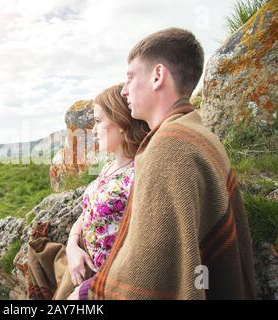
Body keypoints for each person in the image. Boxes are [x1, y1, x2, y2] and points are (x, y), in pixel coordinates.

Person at [73, 28, 256, 300]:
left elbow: (149, 264)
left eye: (131, 77)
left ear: (158, 76)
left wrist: (88, 293)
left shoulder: (167, 147)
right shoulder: (196, 133)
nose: (124, 90)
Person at [25, 84, 149, 300]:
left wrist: (87, 291)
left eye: (99, 121)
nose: (93, 130)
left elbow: (140, 251)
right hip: (85, 268)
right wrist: (73, 245)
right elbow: (88, 213)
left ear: (121, 123)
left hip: (108, 285)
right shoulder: (110, 166)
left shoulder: (139, 175)